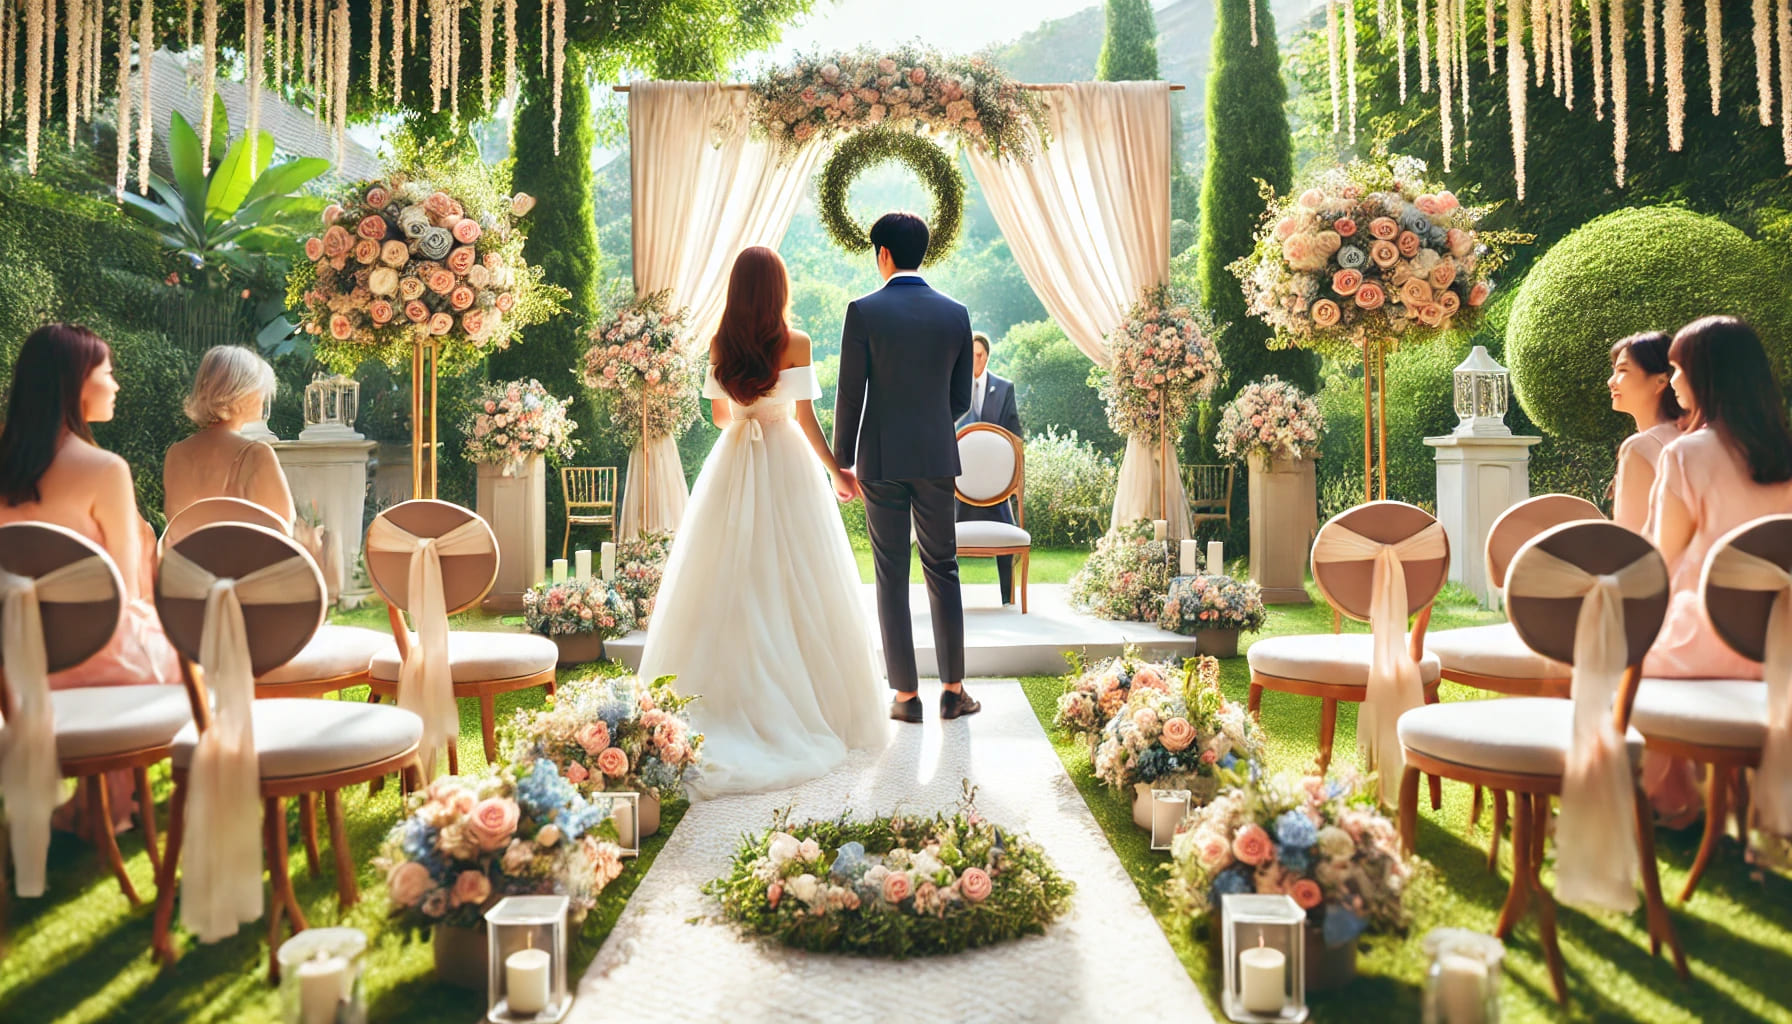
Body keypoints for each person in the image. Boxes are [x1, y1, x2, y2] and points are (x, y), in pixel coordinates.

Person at [637, 247, 886, 797]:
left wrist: (746, 404)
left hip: (734, 461)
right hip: (788, 461)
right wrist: (838, 472)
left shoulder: (721, 343)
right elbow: (805, 416)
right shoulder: (796, 343)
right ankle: (814, 700)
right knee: (801, 575)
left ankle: (723, 694)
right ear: (777, 288)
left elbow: (722, 415)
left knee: (730, 574)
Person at [0, 323, 180, 832]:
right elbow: (121, 592)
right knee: (198, 650)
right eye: (108, 372)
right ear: (77, 383)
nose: (116, 384)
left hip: (14, 665)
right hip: (93, 655)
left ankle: (98, 800)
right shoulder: (104, 469)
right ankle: (117, 799)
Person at [1641, 316, 1792, 824]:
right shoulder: (1785, 452)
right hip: (1782, 637)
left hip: (1712, 634)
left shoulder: (1685, 453)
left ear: (1704, 377)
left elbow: (1660, 560)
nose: (1674, 381)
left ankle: (1670, 801)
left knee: (1609, 653)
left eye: (1678, 369)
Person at [833, 211, 977, 724]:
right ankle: (954, 691)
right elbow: (959, 397)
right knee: (944, 568)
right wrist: (931, 424)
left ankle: (905, 698)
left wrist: (841, 462)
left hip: (880, 459)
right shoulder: (956, 313)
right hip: (937, 457)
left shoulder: (864, 311)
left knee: (891, 574)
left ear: (884, 255)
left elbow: (851, 394)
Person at [163, 345, 296, 525]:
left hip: (184, 553)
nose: (263, 397)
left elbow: (177, 527)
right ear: (241, 392)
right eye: (259, 389)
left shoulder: (176, 454)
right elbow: (283, 528)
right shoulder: (256, 454)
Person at [956, 331, 1025, 605]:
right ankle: (949, 602)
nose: (975, 360)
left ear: (987, 356)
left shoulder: (1004, 388)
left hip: (996, 484)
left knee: (1007, 534)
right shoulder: (952, 387)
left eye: (979, 355)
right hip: (959, 483)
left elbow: (1015, 432)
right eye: (970, 355)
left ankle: (1008, 598)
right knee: (944, 543)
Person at [1606, 331, 1683, 533]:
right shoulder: (1696, 436)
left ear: (1661, 380)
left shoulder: (1641, 447)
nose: (1611, 381)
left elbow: (1631, 539)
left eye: (1623, 370)